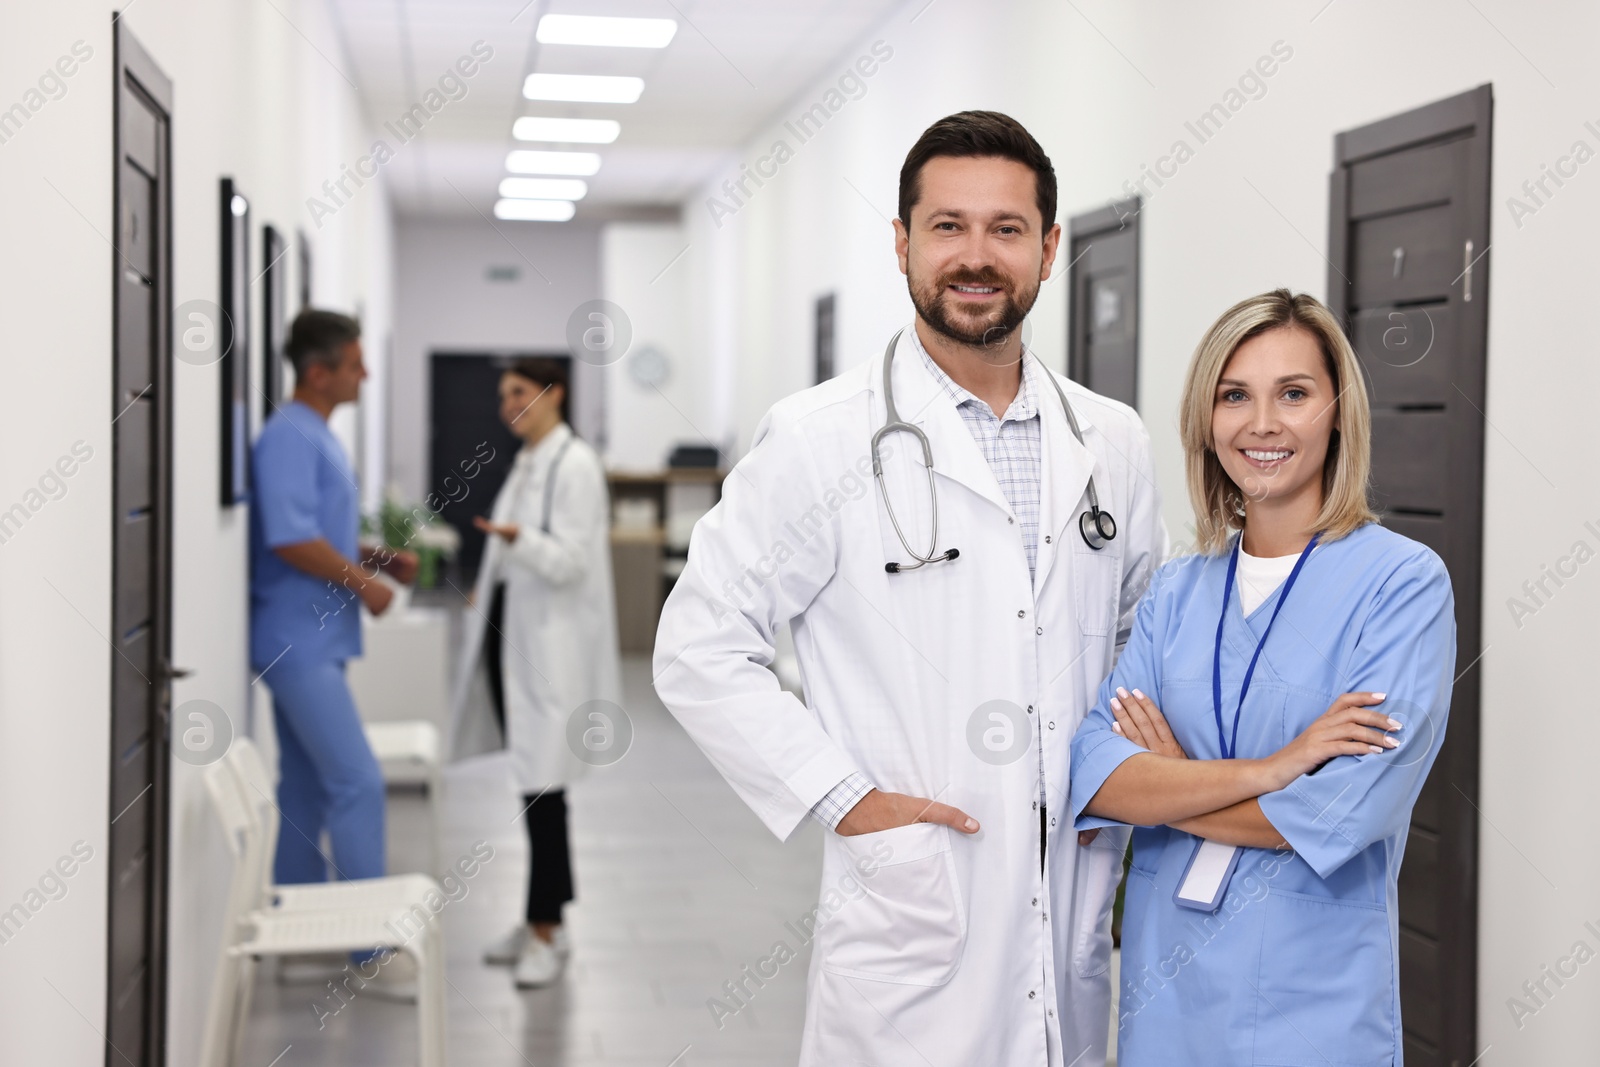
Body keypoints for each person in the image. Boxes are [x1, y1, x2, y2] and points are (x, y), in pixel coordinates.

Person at [653, 111, 1166, 1066]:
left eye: (1007, 230)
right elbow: (698, 646)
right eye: (948, 226)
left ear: (1050, 249)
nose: (978, 256)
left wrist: (1113, 790)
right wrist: (846, 799)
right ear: (902, 243)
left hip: (1071, 899)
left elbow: (1143, 634)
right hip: (915, 912)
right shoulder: (820, 439)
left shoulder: (1113, 442)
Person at [1068, 289, 1456, 1066]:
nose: (1263, 423)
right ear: (1206, 421)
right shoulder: (1178, 591)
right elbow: (1096, 775)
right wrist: (1272, 770)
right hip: (1165, 993)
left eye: (1294, 394)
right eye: (1234, 395)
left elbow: (1338, 813)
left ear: (1339, 412)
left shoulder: (1403, 585)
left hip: (1311, 1004)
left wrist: (1172, 778)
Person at [448, 357, 622, 989]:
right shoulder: (529, 460)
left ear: (555, 394)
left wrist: (519, 540)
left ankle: (547, 929)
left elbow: (572, 562)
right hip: (515, 638)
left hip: (552, 652)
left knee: (546, 792)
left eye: (519, 392)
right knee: (535, 789)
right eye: (502, 395)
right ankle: (541, 918)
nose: (507, 406)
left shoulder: (574, 466)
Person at [250, 310, 418, 892]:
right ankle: (370, 943)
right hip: (296, 643)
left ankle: (294, 912)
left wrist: (377, 558)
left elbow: (319, 531)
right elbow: (292, 539)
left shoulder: (315, 433)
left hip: (313, 637)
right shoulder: (288, 436)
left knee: (304, 784)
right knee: (357, 783)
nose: (365, 374)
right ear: (318, 374)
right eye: (354, 364)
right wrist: (363, 582)